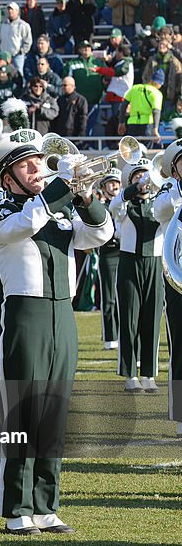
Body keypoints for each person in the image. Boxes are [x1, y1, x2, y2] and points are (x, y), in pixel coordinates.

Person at [0, 136, 112, 536]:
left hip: (63, 314)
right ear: (8, 177)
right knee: (22, 412)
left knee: (55, 415)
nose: (37, 168)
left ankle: (46, 505)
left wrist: (86, 194)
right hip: (25, 315)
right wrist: (62, 188)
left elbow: (100, 234)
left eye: (40, 161)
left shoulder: (57, 210)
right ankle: (16, 507)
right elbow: (23, 224)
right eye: (27, 165)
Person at [110, 160, 164, 393]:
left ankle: (149, 375)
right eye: (137, 177)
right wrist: (133, 189)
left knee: (152, 319)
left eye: (146, 176)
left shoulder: (160, 204)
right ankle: (129, 374)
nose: (143, 180)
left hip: (155, 263)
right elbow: (114, 204)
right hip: (129, 263)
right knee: (129, 318)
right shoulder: (124, 204)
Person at [153, 142, 182, 436]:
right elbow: (159, 211)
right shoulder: (167, 191)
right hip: (177, 277)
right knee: (181, 345)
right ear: (174, 168)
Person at [95, 173, 121, 351]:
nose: (114, 186)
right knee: (109, 296)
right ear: (103, 187)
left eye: (116, 183)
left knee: (124, 297)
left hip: (126, 252)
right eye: (110, 183)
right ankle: (110, 336)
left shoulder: (124, 203)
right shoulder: (101, 206)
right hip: (108, 253)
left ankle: (123, 333)